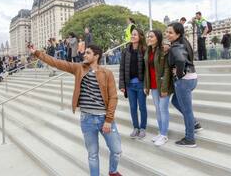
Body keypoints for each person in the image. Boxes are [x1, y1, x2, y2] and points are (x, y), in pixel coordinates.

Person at [28, 44, 122, 176]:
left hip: (104, 118)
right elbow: (57, 63)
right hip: (87, 119)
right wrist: (37, 53)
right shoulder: (79, 68)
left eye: (88, 53)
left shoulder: (107, 73)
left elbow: (113, 97)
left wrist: (108, 119)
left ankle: (112, 171)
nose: (84, 55)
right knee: (92, 155)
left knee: (117, 150)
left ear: (96, 56)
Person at [166, 22, 198, 147]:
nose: (167, 34)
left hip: (184, 81)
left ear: (178, 34)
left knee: (187, 110)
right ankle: (194, 123)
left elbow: (180, 60)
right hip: (192, 77)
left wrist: (179, 74)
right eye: (167, 32)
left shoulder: (176, 46)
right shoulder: (184, 42)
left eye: (170, 32)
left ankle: (190, 139)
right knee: (175, 101)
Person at [144, 30, 173, 146]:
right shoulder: (148, 50)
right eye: (148, 36)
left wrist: (165, 88)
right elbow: (147, 70)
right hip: (153, 85)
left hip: (163, 85)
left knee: (163, 109)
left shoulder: (163, 50)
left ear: (158, 38)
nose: (149, 38)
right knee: (157, 109)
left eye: (151, 36)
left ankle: (164, 135)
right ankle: (161, 132)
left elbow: (167, 70)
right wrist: (146, 86)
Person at [119, 28, 147, 138]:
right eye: (132, 34)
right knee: (132, 107)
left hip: (140, 84)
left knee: (142, 107)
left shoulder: (144, 49)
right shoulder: (126, 51)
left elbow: (147, 70)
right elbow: (122, 69)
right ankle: (136, 127)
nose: (132, 36)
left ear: (140, 37)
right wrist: (122, 85)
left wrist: (146, 84)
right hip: (129, 85)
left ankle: (143, 128)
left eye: (135, 35)